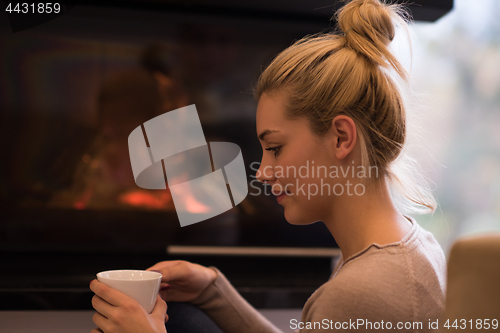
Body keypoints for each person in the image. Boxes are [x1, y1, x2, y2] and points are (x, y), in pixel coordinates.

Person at [89, 0, 446, 332]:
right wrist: (212, 291)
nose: (262, 173)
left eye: (275, 148)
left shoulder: (359, 293)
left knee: (180, 321)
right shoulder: (414, 246)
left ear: (341, 138)